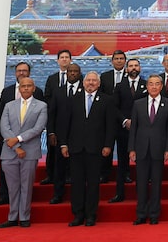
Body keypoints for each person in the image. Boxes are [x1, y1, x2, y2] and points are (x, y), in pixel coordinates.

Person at [58, 70, 118, 226]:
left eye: (94, 81)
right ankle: (78, 214)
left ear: (98, 83)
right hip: (75, 148)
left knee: (93, 184)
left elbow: (110, 126)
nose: (91, 83)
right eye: (88, 80)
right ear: (83, 82)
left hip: (96, 149)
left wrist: (108, 145)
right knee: (76, 183)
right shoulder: (73, 100)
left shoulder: (107, 100)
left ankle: (91, 215)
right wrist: (63, 143)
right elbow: (65, 124)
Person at [0, 77, 47, 229]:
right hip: (9, 152)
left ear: (33, 88)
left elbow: (38, 128)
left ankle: (24, 217)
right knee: (12, 187)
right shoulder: (9, 105)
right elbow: (4, 127)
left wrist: (18, 139)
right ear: (19, 88)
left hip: (30, 152)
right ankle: (12, 217)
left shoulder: (42, 106)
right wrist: (16, 146)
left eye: (28, 86)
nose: (25, 88)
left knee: (26, 186)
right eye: (23, 86)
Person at [129, 74, 168, 225]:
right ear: (147, 86)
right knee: (140, 184)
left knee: (156, 184)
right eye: (151, 84)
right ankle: (141, 214)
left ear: (161, 86)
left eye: (157, 84)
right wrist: (131, 149)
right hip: (141, 149)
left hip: (159, 150)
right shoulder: (138, 104)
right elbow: (133, 128)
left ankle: (154, 214)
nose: (154, 87)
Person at [49, 62, 84, 205]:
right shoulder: (58, 91)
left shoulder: (86, 90)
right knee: (60, 167)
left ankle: (78, 196)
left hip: (80, 136)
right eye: (70, 71)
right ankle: (58, 194)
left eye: (76, 71)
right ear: (67, 73)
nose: (73, 74)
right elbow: (52, 113)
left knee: (78, 168)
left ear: (79, 73)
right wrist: (51, 132)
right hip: (61, 135)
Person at [112, 58, 145, 203]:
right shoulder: (119, 86)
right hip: (123, 130)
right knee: (122, 163)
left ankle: (141, 194)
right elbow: (115, 107)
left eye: (136, 65)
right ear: (126, 69)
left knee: (142, 164)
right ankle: (120, 194)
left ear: (140, 68)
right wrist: (125, 121)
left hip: (142, 131)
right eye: (130, 66)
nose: (133, 68)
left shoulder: (146, 85)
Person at [42, 49, 72, 187]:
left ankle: (67, 174)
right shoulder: (52, 78)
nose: (64, 59)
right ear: (58, 60)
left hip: (71, 120)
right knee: (52, 147)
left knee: (68, 148)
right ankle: (50, 175)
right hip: (54, 118)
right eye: (62, 57)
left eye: (67, 57)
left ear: (70, 60)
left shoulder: (78, 77)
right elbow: (47, 97)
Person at [99, 50, 127, 185]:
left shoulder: (131, 77)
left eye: (122, 58)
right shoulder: (104, 77)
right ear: (112, 61)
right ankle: (105, 173)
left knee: (123, 150)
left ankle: (125, 174)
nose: (119, 61)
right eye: (116, 58)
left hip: (124, 120)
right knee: (106, 147)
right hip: (106, 118)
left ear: (125, 61)